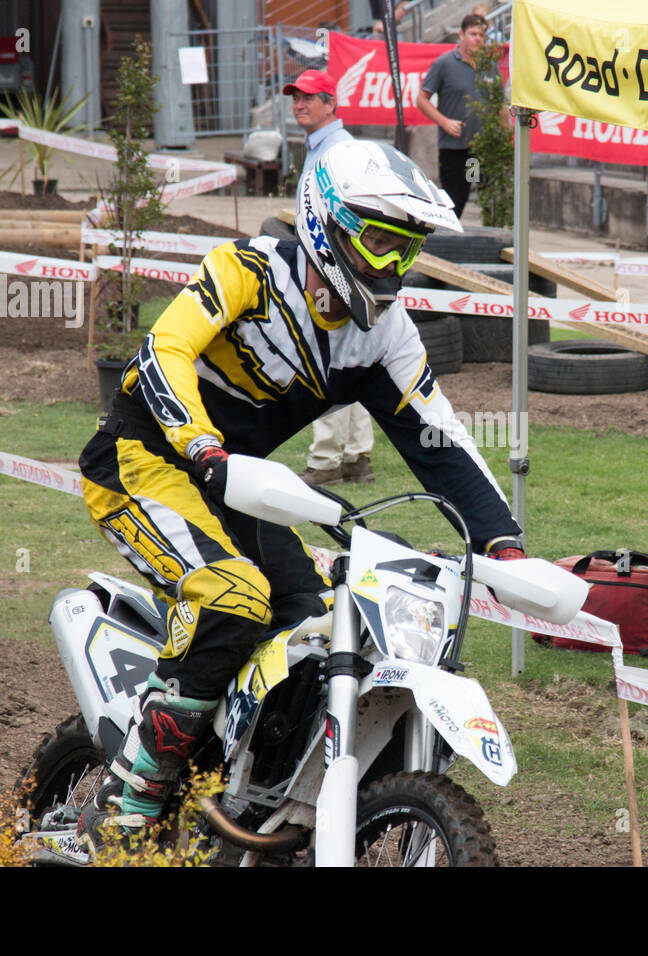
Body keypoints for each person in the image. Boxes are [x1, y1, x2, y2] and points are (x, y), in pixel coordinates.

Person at [76, 139, 525, 846]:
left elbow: (439, 440)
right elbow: (168, 349)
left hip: (240, 485)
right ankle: (130, 800)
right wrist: (200, 443)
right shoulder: (246, 271)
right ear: (327, 224)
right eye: (378, 242)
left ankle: (249, 786)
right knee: (234, 597)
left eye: (403, 251)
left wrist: (505, 543)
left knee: (317, 620)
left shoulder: (383, 337)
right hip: (143, 460)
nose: (391, 267)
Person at [282, 69, 377, 485]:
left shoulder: (336, 149)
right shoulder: (327, 145)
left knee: (327, 358)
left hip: (332, 269)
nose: (299, 104)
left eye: (308, 97)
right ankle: (357, 458)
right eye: (295, 97)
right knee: (350, 357)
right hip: (337, 268)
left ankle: (325, 462)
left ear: (330, 104)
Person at [418, 13, 491, 220]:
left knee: (487, 198)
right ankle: (446, 246)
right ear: (461, 34)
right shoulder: (445, 63)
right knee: (455, 202)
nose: (478, 39)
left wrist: (506, 134)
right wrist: (444, 122)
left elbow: (498, 104)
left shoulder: (489, 65)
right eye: (473, 34)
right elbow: (422, 99)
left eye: (482, 35)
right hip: (454, 148)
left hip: (480, 149)